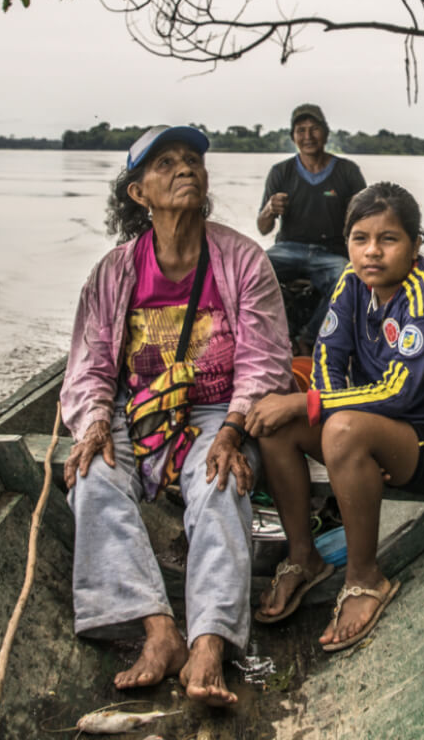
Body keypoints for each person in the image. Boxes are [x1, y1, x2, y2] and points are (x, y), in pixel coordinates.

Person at [60, 125, 291, 706]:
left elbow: (264, 365)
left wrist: (235, 431)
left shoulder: (242, 261)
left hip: (218, 410)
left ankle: (209, 641)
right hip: (133, 410)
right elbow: (89, 369)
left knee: (221, 481)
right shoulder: (113, 273)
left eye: (192, 160)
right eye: (166, 163)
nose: (185, 168)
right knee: (91, 477)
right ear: (139, 193)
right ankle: (158, 630)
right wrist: (91, 423)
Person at [244, 182, 424, 652]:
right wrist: (320, 415)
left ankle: (365, 577)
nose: (372, 251)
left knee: (335, 424)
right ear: (347, 242)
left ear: (415, 246)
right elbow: (328, 360)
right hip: (376, 426)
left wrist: (310, 405)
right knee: (277, 427)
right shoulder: (352, 284)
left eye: (389, 239)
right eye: (359, 238)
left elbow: (397, 392)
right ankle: (303, 557)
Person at [257, 103, 367, 352]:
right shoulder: (281, 172)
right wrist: (269, 209)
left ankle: (310, 336)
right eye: (301, 130)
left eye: (314, 129)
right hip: (288, 249)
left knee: (348, 279)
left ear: (326, 133)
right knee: (251, 270)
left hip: (331, 252)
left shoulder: (347, 172)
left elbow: (366, 222)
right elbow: (263, 228)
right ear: (293, 137)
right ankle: (264, 337)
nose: (308, 136)